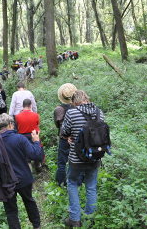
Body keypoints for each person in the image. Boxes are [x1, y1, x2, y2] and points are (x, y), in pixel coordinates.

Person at [0, 113, 43, 229]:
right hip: (24, 179)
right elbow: (36, 155)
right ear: (10, 124)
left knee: (10, 210)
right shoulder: (19, 138)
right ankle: (37, 225)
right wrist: (36, 141)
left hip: (6, 182)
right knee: (29, 201)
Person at [60, 90, 105, 227]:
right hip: (95, 157)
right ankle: (90, 217)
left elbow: (64, 132)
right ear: (86, 98)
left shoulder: (72, 113)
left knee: (72, 183)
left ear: (74, 102)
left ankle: (74, 219)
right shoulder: (99, 112)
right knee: (91, 186)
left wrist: (69, 137)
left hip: (76, 159)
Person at [53, 83, 77, 186]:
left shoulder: (58, 109)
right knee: (75, 160)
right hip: (75, 137)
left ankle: (60, 182)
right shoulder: (77, 107)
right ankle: (73, 181)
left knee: (62, 161)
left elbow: (57, 124)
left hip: (63, 137)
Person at [15, 99, 43, 172]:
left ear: (22, 106)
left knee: (25, 155)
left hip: (22, 137)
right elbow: (37, 124)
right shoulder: (35, 115)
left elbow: (16, 127)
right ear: (30, 106)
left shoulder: (17, 116)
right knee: (37, 150)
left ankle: (29, 170)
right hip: (34, 135)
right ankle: (38, 165)